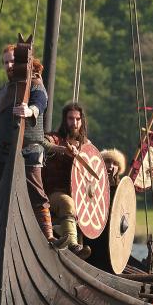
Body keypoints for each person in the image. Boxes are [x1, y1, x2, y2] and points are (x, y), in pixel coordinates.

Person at [0, 43, 54, 241]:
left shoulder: (35, 84)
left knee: (36, 192)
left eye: (13, 61)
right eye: (6, 62)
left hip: (29, 147)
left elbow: (41, 102)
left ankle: (48, 235)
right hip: (3, 147)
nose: (9, 66)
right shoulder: (4, 90)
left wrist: (30, 110)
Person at [43, 102, 91, 258]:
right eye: (71, 118)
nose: (74, 123)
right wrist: (64, 149)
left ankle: (81, 256)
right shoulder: (55, 138)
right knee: (67, 202)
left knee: (81, 209)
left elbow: (95, 172)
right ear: (65, 120)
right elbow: (43, 143)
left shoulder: (87, 146)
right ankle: (72, 245)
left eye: (78, 119)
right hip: (52, 194)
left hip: (79, 197)